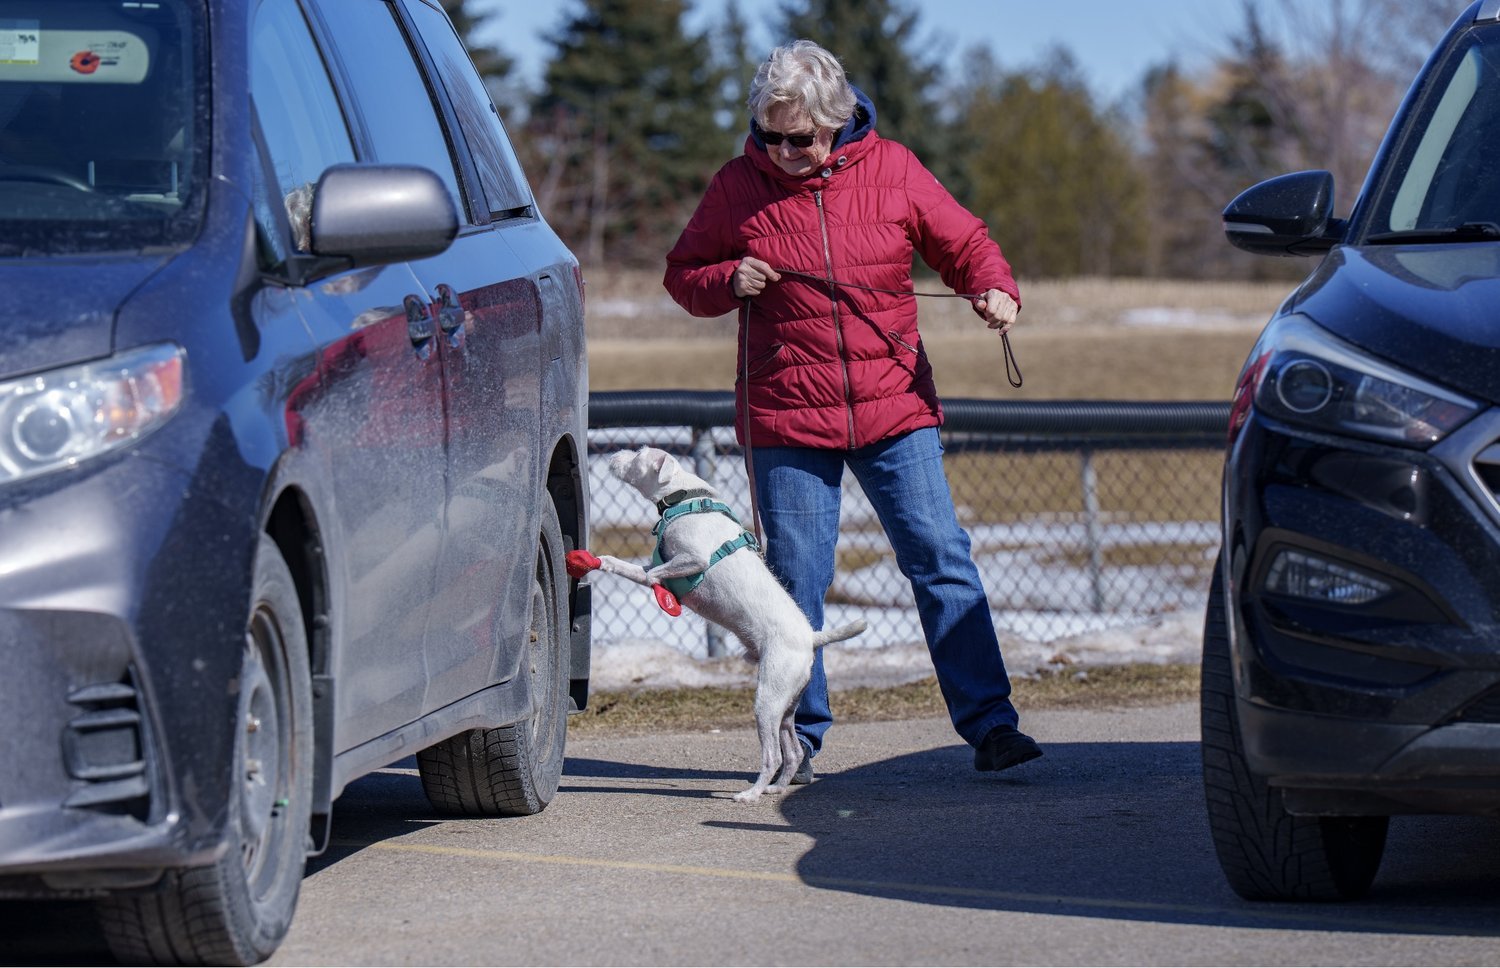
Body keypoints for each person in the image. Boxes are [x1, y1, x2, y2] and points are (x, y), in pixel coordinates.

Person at [663, 39, 1041, 780]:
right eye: (770, 137)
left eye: (798, 139)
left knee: (940, 560)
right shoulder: (738, 186)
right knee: (797, 580)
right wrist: (728, 279)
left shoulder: (894, 168)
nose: (783, 152)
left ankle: (992, 725)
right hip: (786, 413)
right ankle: (800, 740)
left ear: (836, 122)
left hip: (894, 406)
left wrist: (994, 288)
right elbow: (683, 275)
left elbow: (964, 242)